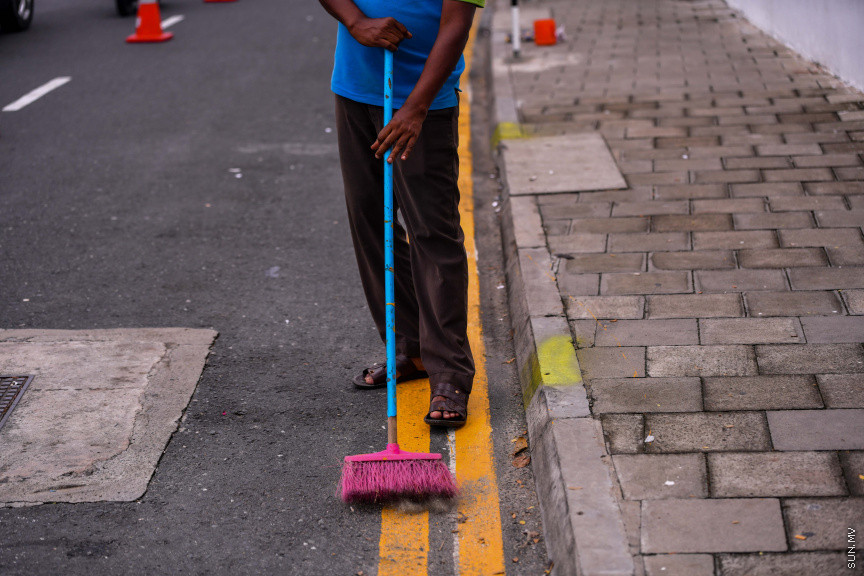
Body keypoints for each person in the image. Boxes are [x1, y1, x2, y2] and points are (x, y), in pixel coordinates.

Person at [319, 0, 483, 427]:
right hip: (355, 89)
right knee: (372, 223)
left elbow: (456, 25)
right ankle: (409, 349)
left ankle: (450, 373)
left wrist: (416, 108)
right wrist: (355, 21)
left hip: (421, 103)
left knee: (433, 234)